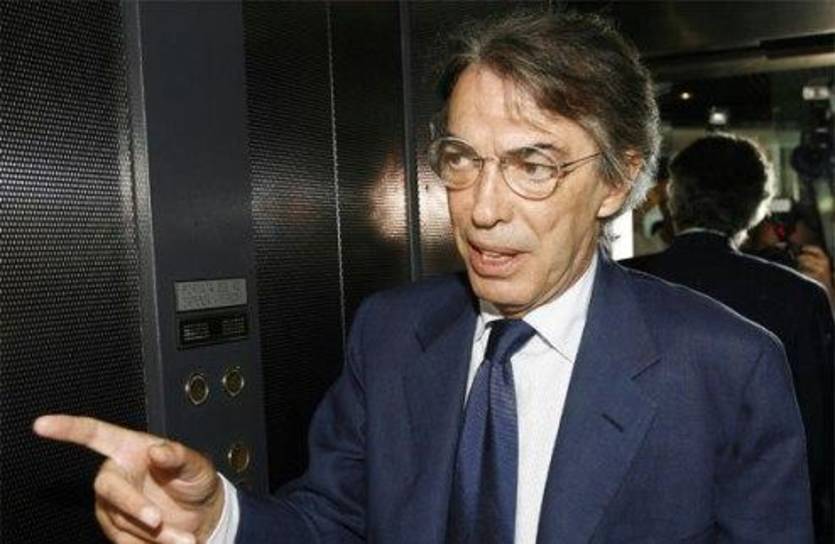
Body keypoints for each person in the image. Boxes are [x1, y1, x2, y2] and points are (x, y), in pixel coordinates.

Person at [34, 12, 813, 543]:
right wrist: (219, 522)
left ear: (614, 180)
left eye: (532, 166)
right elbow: (330, 523)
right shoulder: (391, 332)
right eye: (462, 160)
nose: (481, 208)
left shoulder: (724, 365)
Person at [622, 133, 833, 543]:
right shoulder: (798, 297)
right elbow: (816, 442)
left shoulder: (621, 283)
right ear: (757, 208)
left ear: (672, 200)